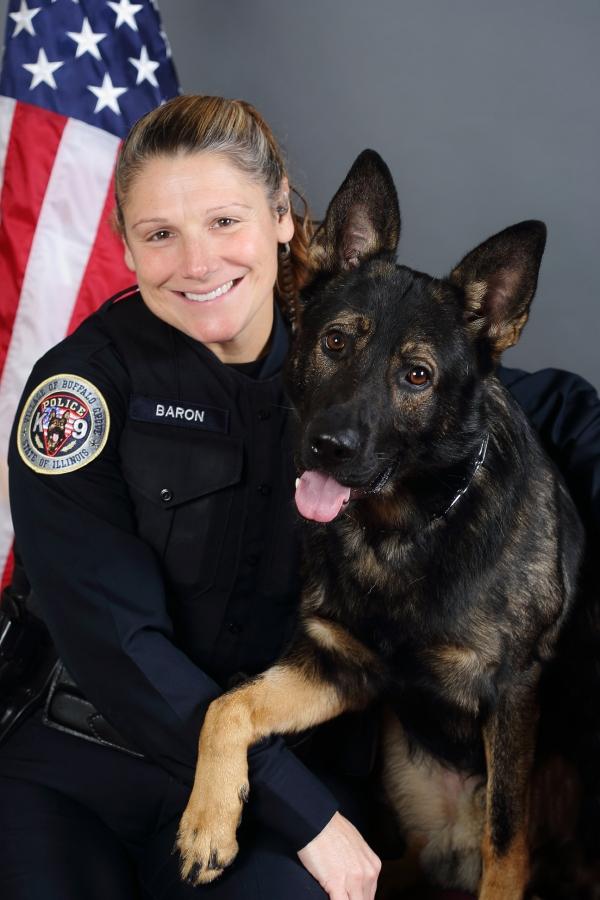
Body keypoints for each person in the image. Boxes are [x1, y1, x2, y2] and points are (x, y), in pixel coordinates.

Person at [0, 94, 599, 900]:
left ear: (287, 219)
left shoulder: (343, 337)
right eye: (159, 235)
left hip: (269, 784)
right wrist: (310, 815)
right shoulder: (81, 393)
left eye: (224, 222)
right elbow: (116, 646)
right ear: (126, 246)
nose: (198, 264)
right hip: (79, 761)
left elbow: (516, 401)